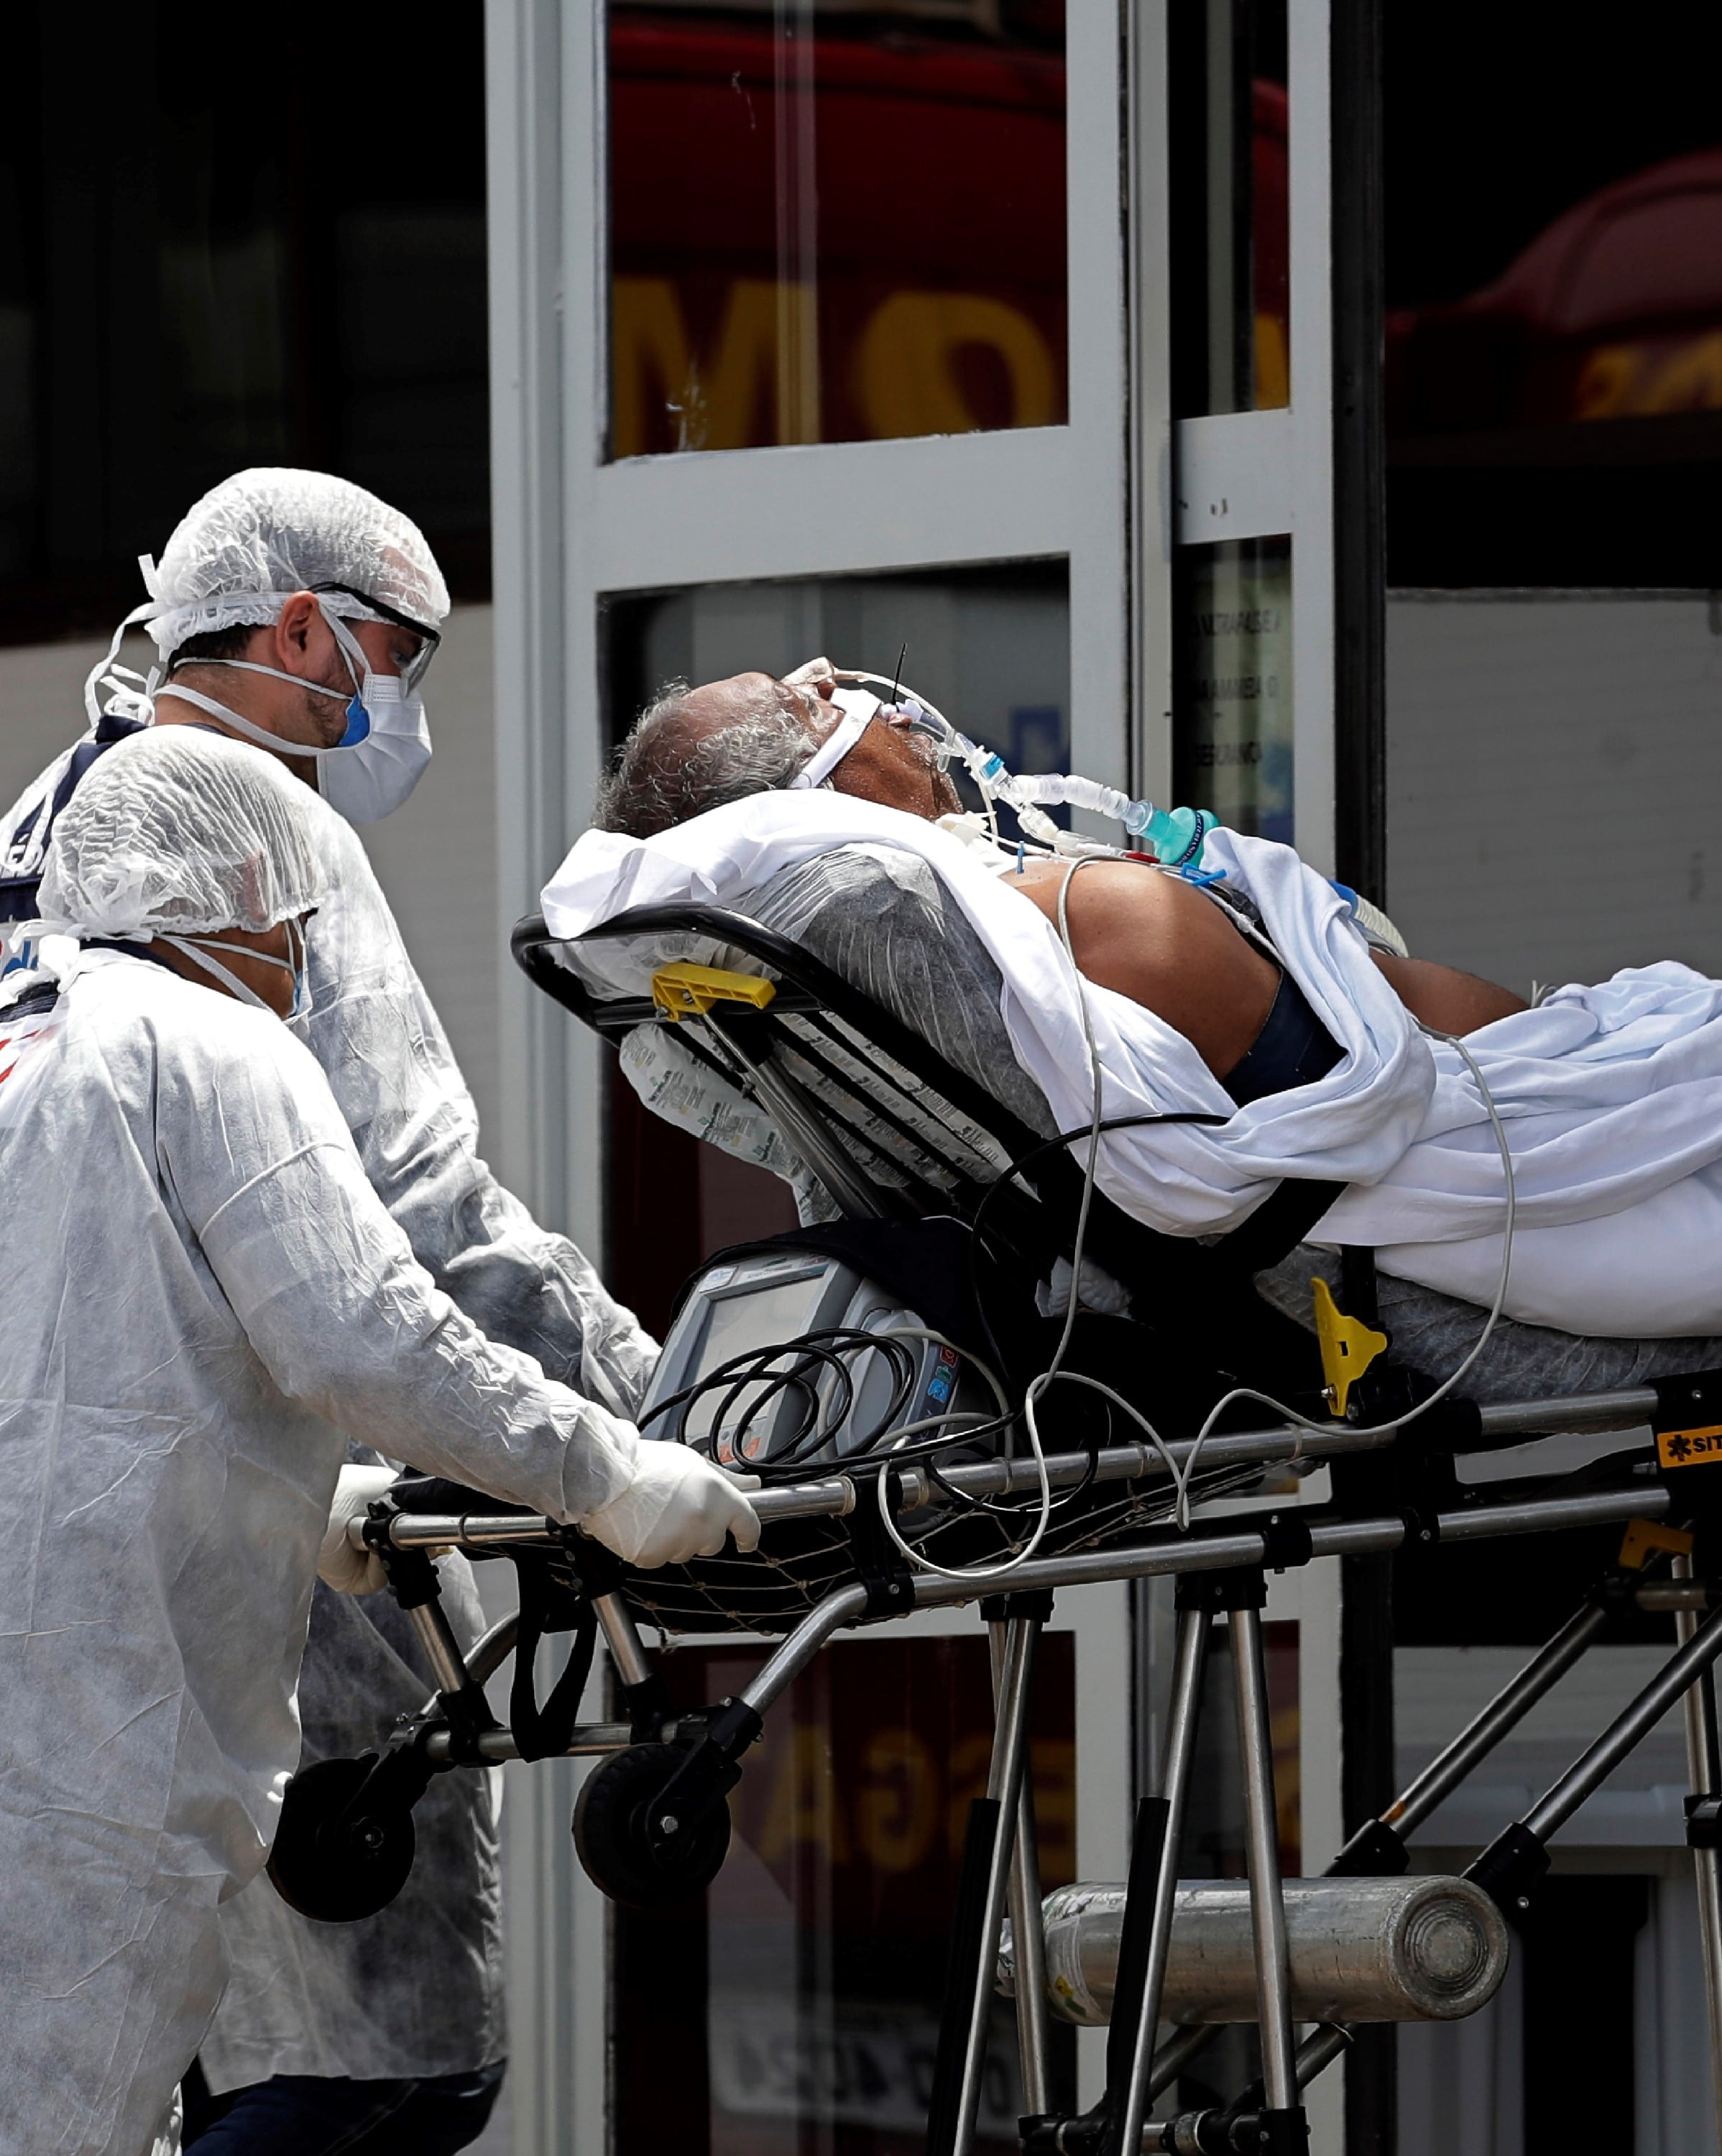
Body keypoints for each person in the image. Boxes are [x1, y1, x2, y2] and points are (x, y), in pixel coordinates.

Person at [0, 470, 662, 2147]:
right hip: (232, 1607)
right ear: (301, 627)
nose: (398, 707)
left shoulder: (41, 839)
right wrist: (651, 1429)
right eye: (392, 656)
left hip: (79, 1588)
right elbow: (419, 1237)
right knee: (377, 2078)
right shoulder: (250, 862)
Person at [595, 665, 1532, 1082]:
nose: (837, 677)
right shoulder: (1099, 917)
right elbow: (1428, 1034)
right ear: (824, 792)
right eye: (807, 699)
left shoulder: (927, 967)